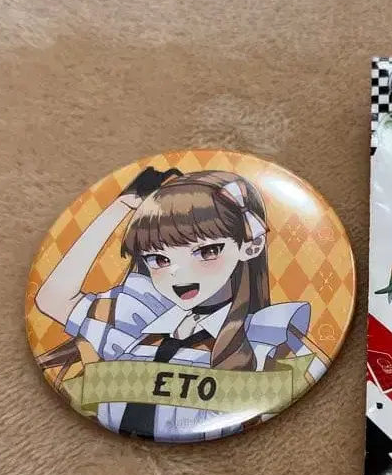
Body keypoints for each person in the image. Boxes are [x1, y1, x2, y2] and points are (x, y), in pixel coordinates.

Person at [34, 167, 325, 442]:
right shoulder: (138, 320)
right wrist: (121, 207)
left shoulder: (268, 333)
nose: (178, 273)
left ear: (251, 246)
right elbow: (52, 299)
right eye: (158, 259)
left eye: (207, 251)